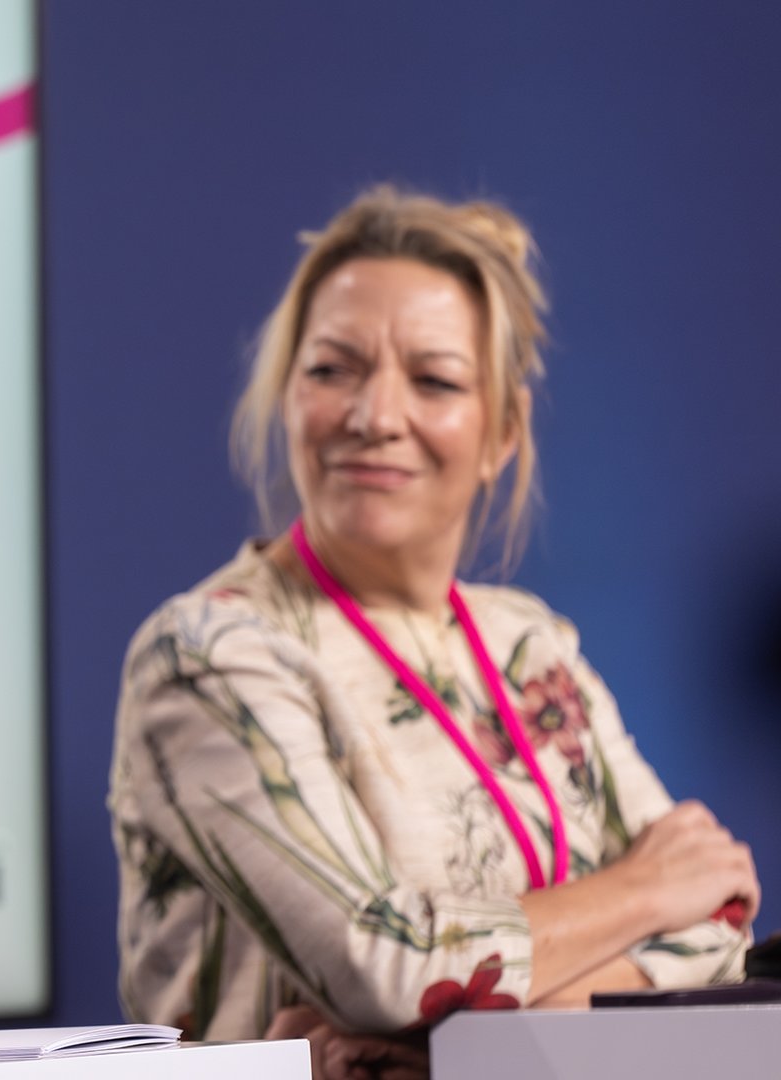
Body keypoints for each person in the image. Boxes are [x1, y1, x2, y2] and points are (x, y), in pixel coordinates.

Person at [108, 186, 758, 1077]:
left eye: (435, 380)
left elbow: (720, 918)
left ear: (503, 431)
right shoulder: (210, 655)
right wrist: (639, 892)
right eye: (333, 368)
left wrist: (460, 1045)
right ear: (287, 395)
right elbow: (389, 965)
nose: (376, 416)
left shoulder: (531, 644)